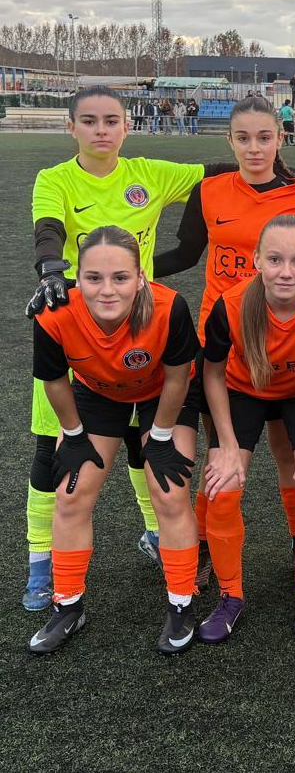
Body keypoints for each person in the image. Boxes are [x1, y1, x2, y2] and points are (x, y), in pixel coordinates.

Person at [23, 85, 230, 611]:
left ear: (126, 126)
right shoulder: (55, 179)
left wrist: (281, 173)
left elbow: (216, 174)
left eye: (111, 120)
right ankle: (41, 563)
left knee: (149, 448)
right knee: (53, 455)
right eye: (89, 121)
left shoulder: (149, 174)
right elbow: (48, 229)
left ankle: (158, 536)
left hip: (142, 331)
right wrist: (51, 270)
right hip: (77, 329)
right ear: (71, 127)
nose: (101, 130)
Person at [154, 95, 295, 589]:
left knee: (289, 453)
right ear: (229, 141)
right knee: (222, 454)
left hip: (290, 344)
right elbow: (186, 254)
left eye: (264, 137)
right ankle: (206, 546)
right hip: (223, 343)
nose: (254, 148)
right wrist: (132, 273)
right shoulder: (210, 191)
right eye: (244, 138)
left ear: (280, 138)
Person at [28, 226, 201, 655]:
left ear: (140, 277)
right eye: (94, 278)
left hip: (163, 394)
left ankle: (181, 603)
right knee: (72, 494)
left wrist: (161, 437)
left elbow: (178, 378)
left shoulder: (169, 307)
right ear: (78, 277)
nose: (107, 290)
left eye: (120, 277)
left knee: (170, 493)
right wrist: (73, 436)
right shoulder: (54, 314)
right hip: (98, 393)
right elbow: (54, 380)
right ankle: (68, 605)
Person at [200, 216, 295, 643]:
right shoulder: (230, 305)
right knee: (223, 486)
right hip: (242, 391)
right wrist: (228, 445)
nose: (286, 271)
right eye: (275, 259)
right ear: (257, 260)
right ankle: (230, 596)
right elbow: (211, 375)